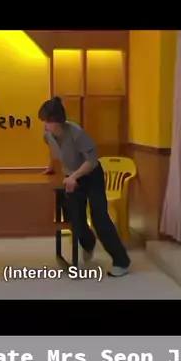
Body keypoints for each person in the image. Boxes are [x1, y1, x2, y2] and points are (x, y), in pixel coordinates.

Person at [39, 96, 131, 277]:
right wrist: (51, 167)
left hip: (91, 175)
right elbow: (53, 150)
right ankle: (88, 244)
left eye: (47, 122)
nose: (44, 125)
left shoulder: (76, 133)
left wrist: (74, 176)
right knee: (74, 217)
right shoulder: (47, 135)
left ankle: (122, 261)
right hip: (71, 176)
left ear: (58, 121)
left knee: (99, 218)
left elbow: (92, 161)